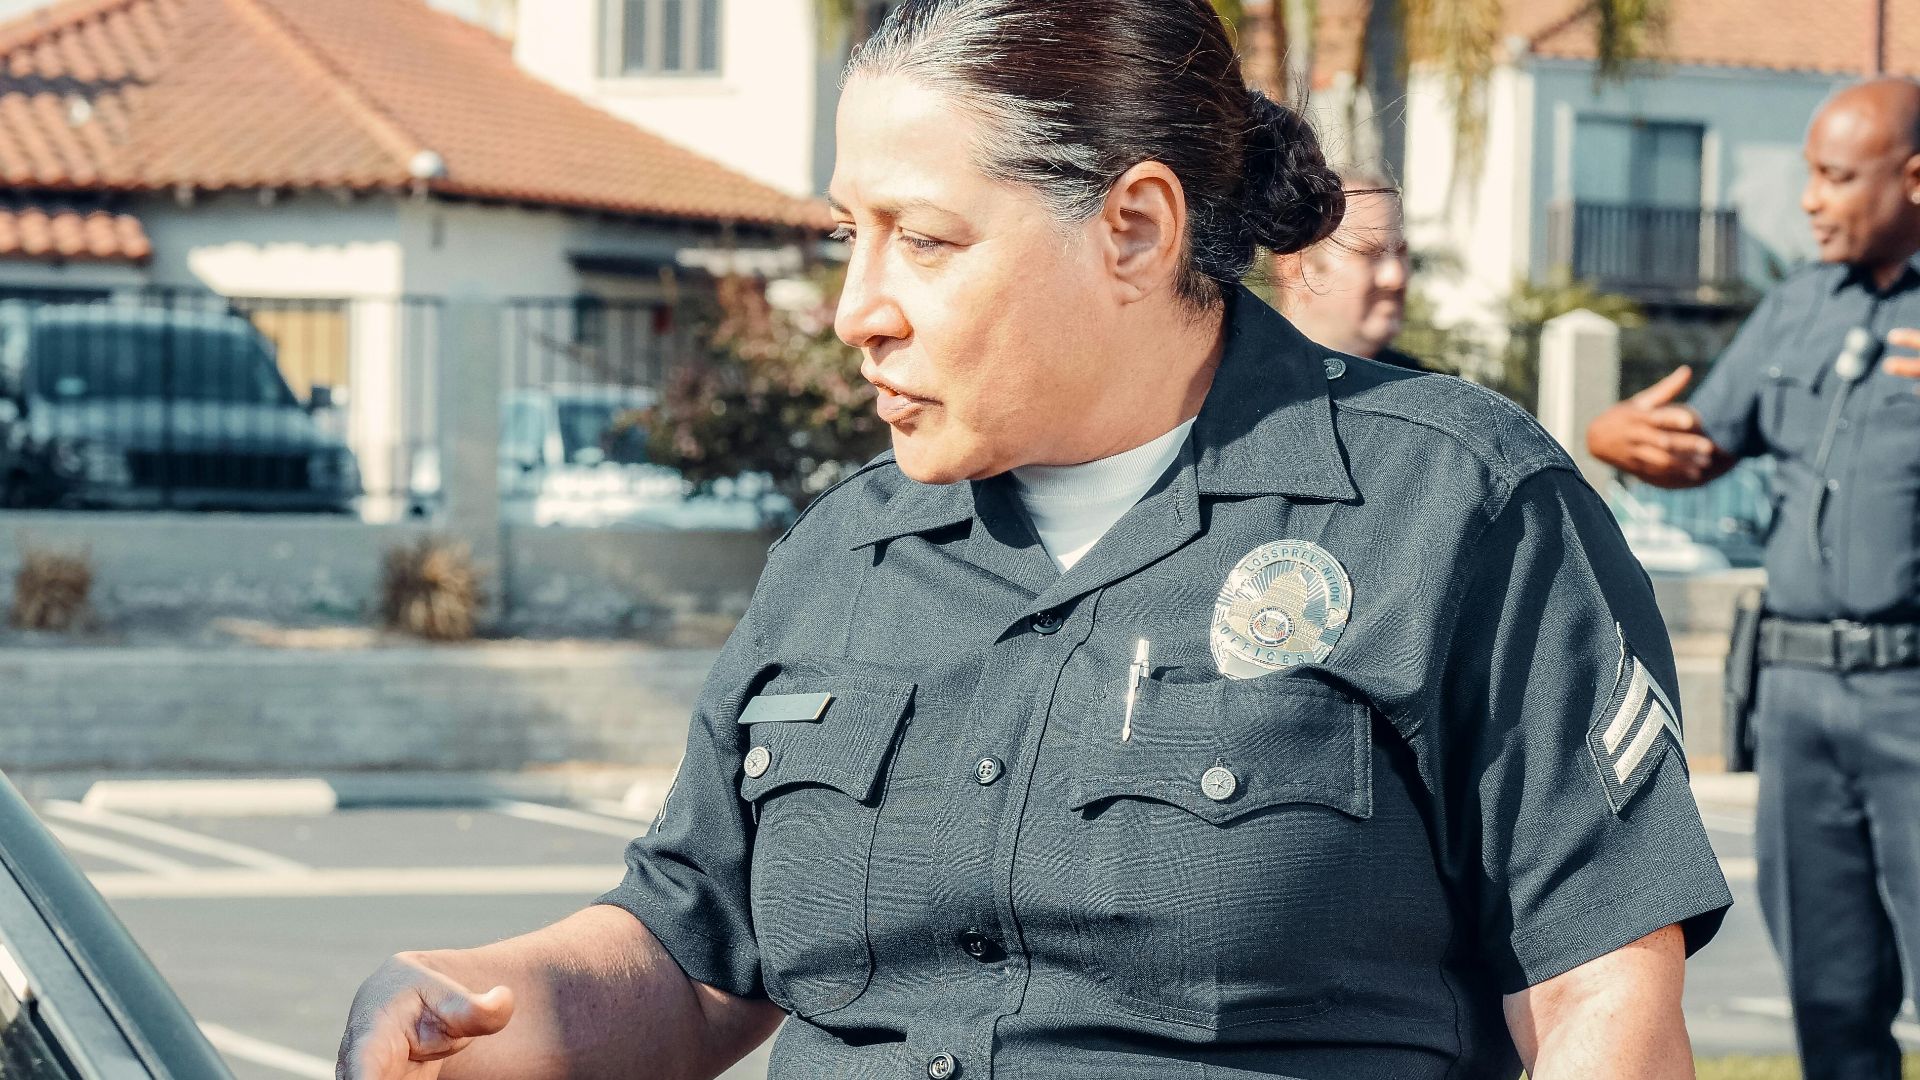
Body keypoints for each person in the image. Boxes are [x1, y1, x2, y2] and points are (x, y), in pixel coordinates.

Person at [338, 2, 1730, 1077]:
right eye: (847, 235)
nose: (858, 307)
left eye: (923, 240)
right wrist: (463, 1005)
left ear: (1131, 226)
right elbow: (692, 951)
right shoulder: (845, 555)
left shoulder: (1453, 508)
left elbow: (1601, 998)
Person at [1587, 76, 1920, 1080]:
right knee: (1831, 999)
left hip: (1913, 693)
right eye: (1810, 176)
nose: (1811, 199)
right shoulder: (1798, 309)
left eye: (1836, 177)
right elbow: (1698, 443)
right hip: (1799, 700)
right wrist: (1612, 436)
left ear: (1913, 179)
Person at [1272, 167, 1427, 371]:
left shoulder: (1431, 396)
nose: (1396, 276)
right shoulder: (1237, 387)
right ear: (1295, 268)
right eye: (1370, 254)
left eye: (1401, 252)